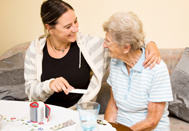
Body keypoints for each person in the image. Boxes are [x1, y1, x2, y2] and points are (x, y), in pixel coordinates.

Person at [24, 0, 160, 109]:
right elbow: (30, 91)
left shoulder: (90, 46)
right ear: (49, 28)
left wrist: (150, 43)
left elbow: (124, 41)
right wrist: (49, 85)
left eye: (75, 21)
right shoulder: (35, 50)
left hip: (78, 114)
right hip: (45, 114)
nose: (76, 29)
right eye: (68, 26)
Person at [103, 11, 173, 131]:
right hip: (121, 127)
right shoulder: (115, 61)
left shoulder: (156, 69)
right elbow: (113, 105)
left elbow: (152, 121)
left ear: (126, 47)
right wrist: (107, 128)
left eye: (108, 41)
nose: (104, 45)